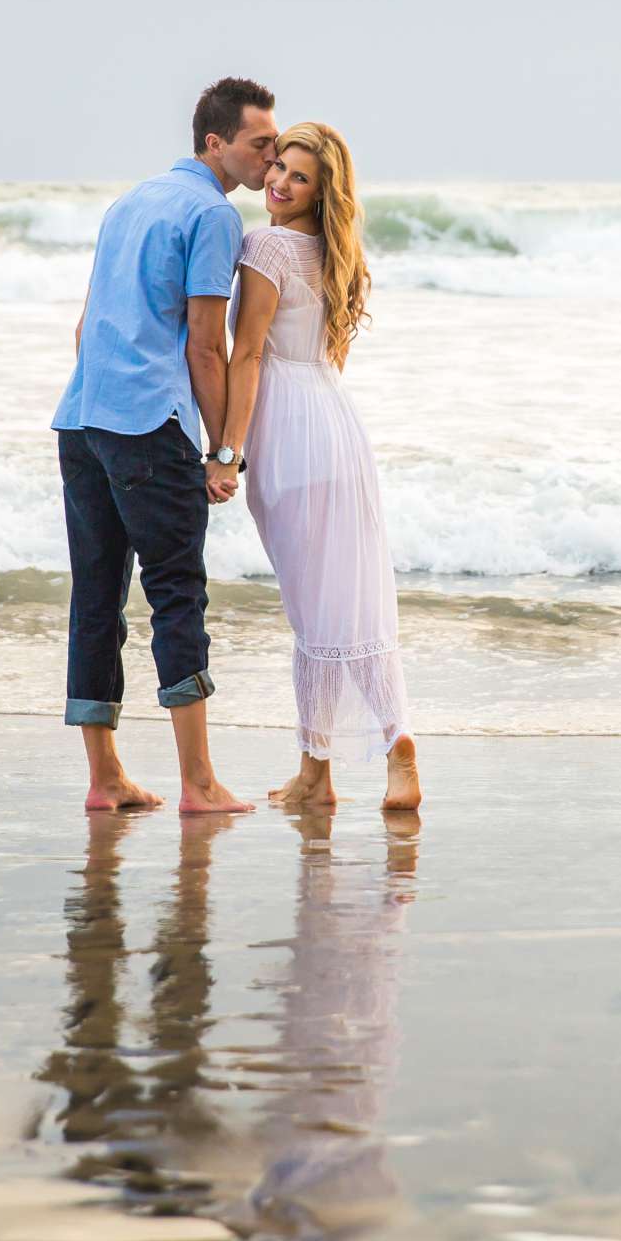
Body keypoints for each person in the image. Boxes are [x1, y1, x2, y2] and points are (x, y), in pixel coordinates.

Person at [51, 76, 277, 813]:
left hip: (83, 421)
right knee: (178, 596)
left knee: (97, 597)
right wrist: (224, 451)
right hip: (150, 425)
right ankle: (199, 784)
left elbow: (85, 329)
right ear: (216, 143)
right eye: (259, 144)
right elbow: (207, 348)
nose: (270, 159)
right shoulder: (212, 215)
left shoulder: (130, 202)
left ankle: (105, 777)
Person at [213, 121, 422, 810]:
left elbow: (246, 355)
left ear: (319, 191)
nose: (278, 183)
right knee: (346, 604)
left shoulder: (266, 245)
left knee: (315, 613)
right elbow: (326, 357)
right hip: (336, 426)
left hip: (289, 436)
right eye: (278, 168)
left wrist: (227, 452)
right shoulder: (337, 255)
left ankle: (393, 747)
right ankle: (317, 771)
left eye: (298, 177)